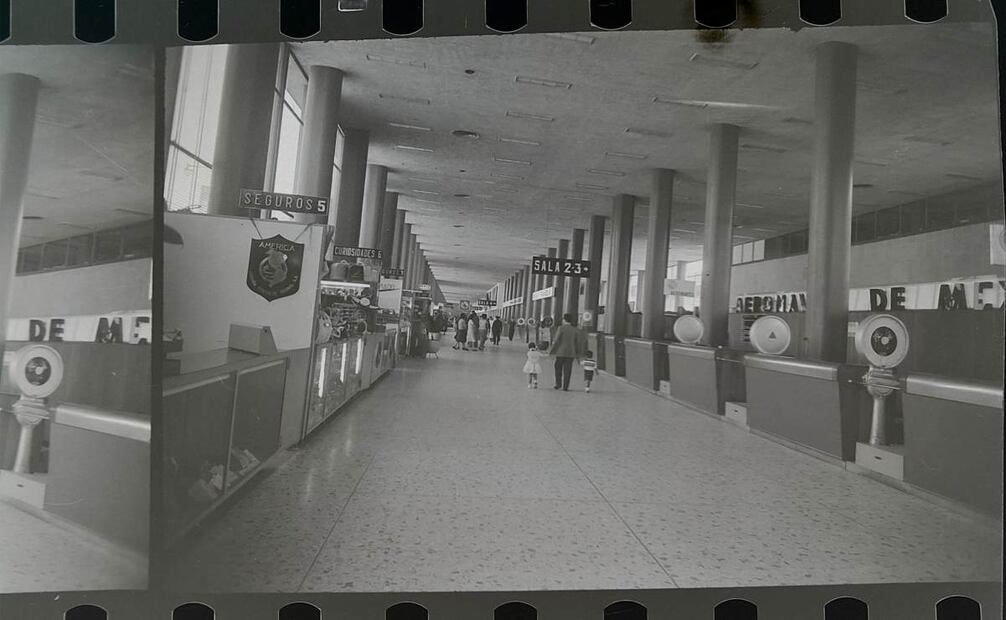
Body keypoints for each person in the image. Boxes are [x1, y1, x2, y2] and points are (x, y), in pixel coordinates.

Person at [548, 313, 587, 391]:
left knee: (558, 367)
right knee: (568, 369)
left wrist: (551, 351)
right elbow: (579, 342)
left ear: (564, 320)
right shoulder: (576, 330)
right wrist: (578, 354)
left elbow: (556, 341)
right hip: (571, 353)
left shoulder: (561, 328)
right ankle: (566, 386)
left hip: (560, 352)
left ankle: (558, 384)